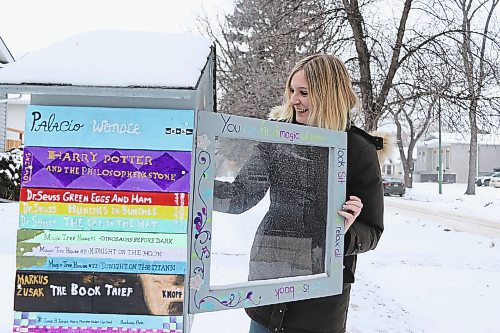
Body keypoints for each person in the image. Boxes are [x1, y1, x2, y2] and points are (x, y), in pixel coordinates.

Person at [214, 54, 386, 333]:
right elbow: (239, 195)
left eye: (304, 92)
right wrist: (190, 184)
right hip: (268, 281)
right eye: (292, 91)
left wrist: (346, 233)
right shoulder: (277, 138)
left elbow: (372, 231)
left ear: (329, 94)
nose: (294, 99)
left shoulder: (356, 149)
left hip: (319, 301)